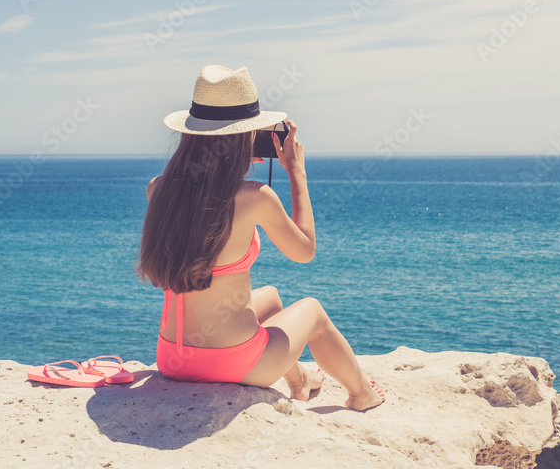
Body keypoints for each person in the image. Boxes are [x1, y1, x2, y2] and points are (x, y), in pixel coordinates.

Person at [136, 65, 384, 411]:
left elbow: (204, 197)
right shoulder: (255, 197)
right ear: (242, 137)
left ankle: (299, 382)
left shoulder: (158, 189)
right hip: (231, 364)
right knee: (312, 311)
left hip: (173, 359)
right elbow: (304, 250)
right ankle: (362, 395)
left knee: (269, 297)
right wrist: (296, 171)